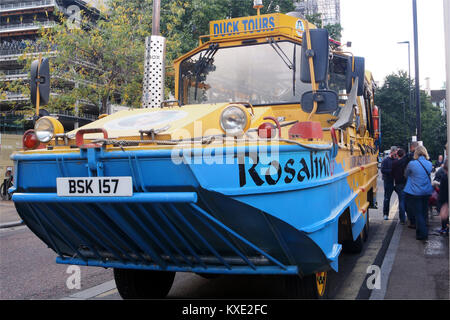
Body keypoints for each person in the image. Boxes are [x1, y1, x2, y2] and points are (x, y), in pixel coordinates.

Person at [404, 145, 434, 240]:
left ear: (415, 153)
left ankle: (424, 234)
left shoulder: (412, 164)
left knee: (418, 214)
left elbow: (406, 174)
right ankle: (419, 233)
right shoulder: (429, 164)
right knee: (424, 212)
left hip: (415, 192)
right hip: (426, 192)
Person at [381, 146, 398, 220]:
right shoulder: (385, 160)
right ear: (392, 152)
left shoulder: (397, 160)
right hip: (388, 181)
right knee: (387, 198)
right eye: (395, 153)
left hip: (397, 182)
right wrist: (391, 171)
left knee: (402, 198)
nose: (396, 155)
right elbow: (382, 170)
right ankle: (385, 214)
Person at [392, 148, 407, 224]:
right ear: (404, 154)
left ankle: (402, 219)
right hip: (406, 183)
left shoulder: (394, 163)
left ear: (397, 155)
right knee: (406, 201)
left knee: (401, 201)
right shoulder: (405, 162)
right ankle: (408, 217)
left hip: (398, 183)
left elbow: (392, 172)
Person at [437, 161, 448, 235]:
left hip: (445, 200)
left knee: (445, 216)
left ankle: (444, 228)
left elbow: (442, 191)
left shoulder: (444, 177)